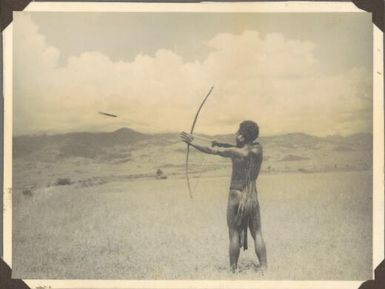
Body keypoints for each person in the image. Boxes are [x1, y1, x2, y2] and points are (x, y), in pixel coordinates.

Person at [180, 120, 267, 273]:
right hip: (252, 195)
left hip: (236, 194)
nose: (235, 134)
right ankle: (264, 267)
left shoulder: (236, 153)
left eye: (238, 132)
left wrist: (191, 143)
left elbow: (210, 149)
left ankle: (233, 270)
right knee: (257, 232)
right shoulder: (258, 149)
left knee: (233, 233)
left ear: (243, 136)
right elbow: (238, 146)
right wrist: (222, 143)